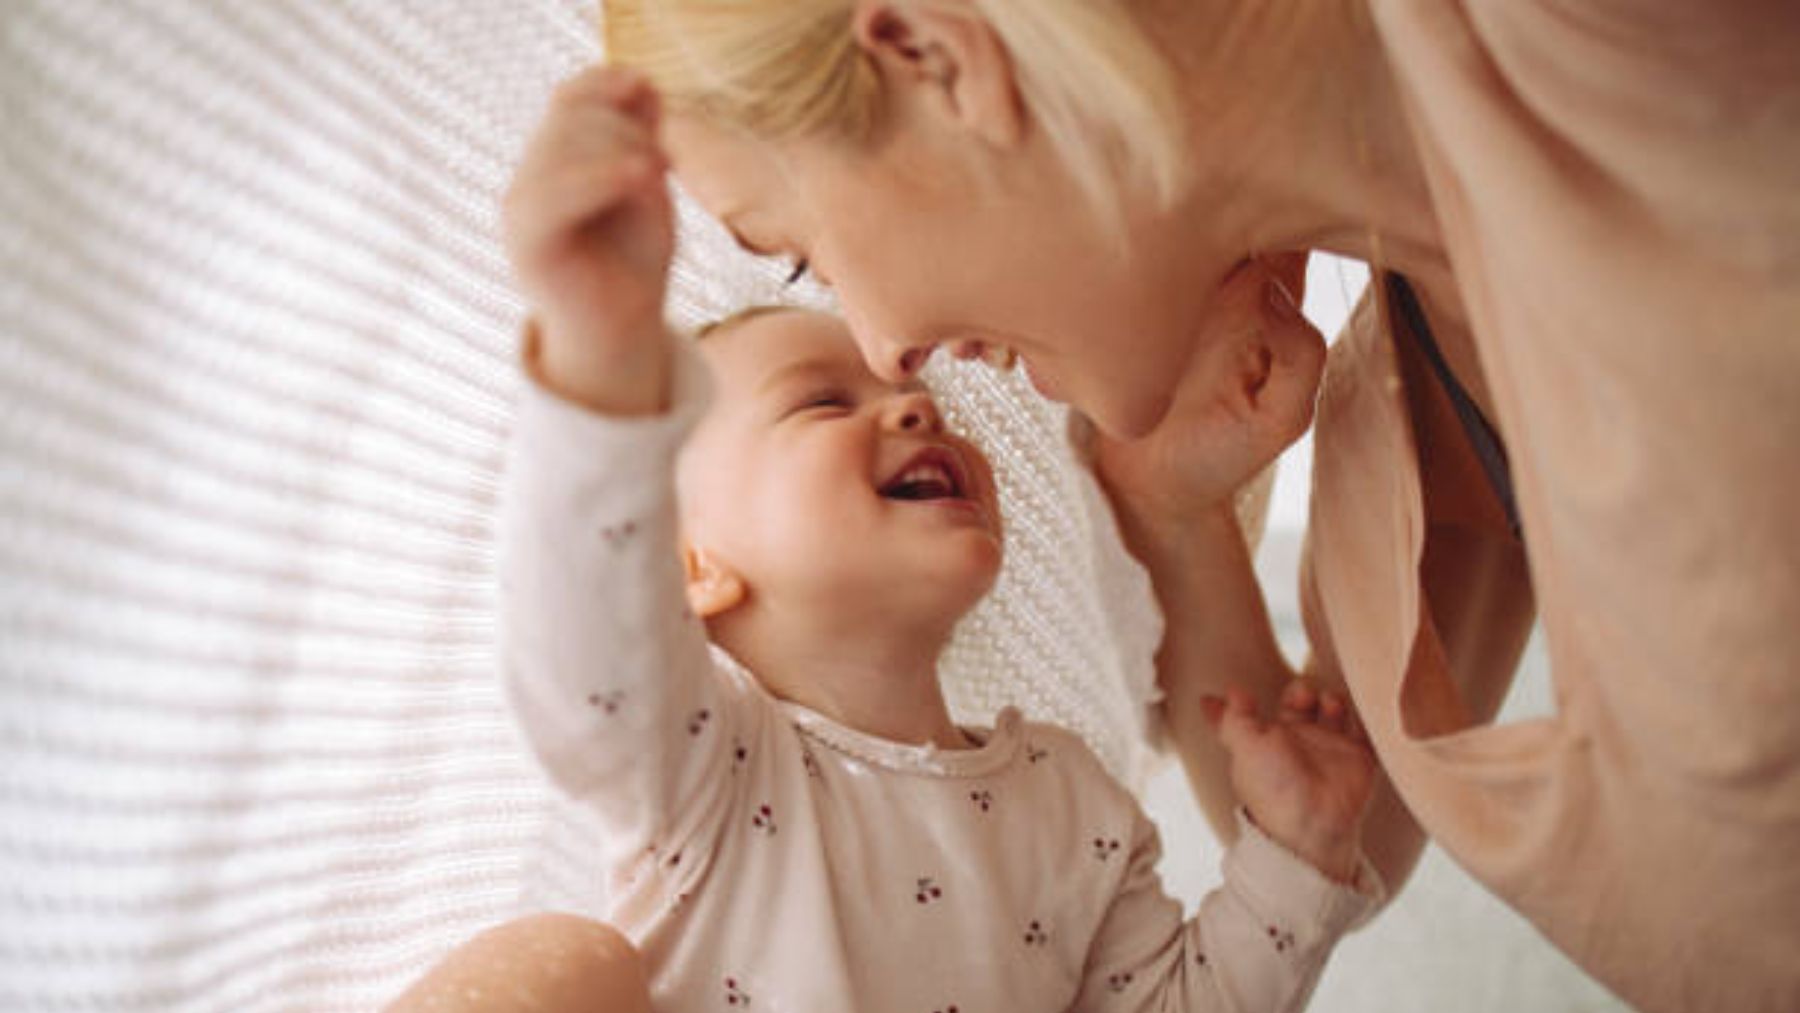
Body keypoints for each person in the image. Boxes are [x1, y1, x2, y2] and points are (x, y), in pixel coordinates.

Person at [600, 2, 1800, 1011]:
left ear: (935, 59)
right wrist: (1167, 512)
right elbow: (1342, 834)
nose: (894, 351)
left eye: (807, 253)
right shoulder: (1408, 400)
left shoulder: (1614, 42)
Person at [386, 77, 1378, 1012]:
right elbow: (586, 649)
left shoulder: (1075, 801)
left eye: (922, 403)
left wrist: (1297, 856)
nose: (911, 402)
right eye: (822, 401)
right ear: (692, 566)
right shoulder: (710, 763)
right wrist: (598, 351)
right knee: (554, 962)